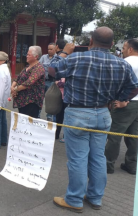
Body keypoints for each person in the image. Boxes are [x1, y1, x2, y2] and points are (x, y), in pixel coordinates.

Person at [50, 27, 138, 213]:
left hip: (78, 113)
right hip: (104, 114)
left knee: (78, 158)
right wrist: (117, 100)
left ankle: (74, 199)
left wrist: (64, 51)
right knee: (98, 157)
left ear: (90, 41)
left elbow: (51, 71)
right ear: (113, 44)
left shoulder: (75, 58)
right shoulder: (122, 64)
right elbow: (133, 87)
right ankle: (95, 197)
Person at [105, 39, 138, 175]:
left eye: (124, 47)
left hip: (125, 104)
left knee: (114, 135)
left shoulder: (125, 62)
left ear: (130, 49)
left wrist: (123, 100)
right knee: (134, 135)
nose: (122, 50)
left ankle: (108, 165)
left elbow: (117, 84)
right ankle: (131, 165)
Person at [11, 46, 45, 118]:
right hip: (22, 100)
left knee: (29, 125)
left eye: (29, 55)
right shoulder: (27, 67)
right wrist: (12, 87)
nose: (26, 56)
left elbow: (29, 82)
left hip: (31, 101)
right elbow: (18, 79)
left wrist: (15, 89)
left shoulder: (39, 68)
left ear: (36, 57)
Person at [39, 43, 56, 121]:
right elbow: (39, 66)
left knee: (50, 101)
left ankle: (49, 117)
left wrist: (46, 67)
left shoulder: (57, 58)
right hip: (42, 81)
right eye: (48, 49)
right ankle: (37, 115)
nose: (49, 51)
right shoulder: (43, 57)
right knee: (39, 99)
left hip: (51, 82)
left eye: (51, 49)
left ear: (55, 49)